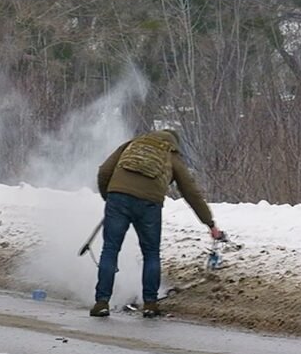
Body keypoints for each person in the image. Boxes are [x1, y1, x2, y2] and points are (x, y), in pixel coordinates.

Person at [90, 129, 224, 318]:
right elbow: (190, 192)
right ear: (174, 143)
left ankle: (101, 302)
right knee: (151, 253)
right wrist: (210, 223)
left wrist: (111, 197)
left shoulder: (132, 144)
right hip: (149, 204)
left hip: (118, 199)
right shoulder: (171, 154)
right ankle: (150, 304)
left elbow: (104, 171)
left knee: (110, 250)